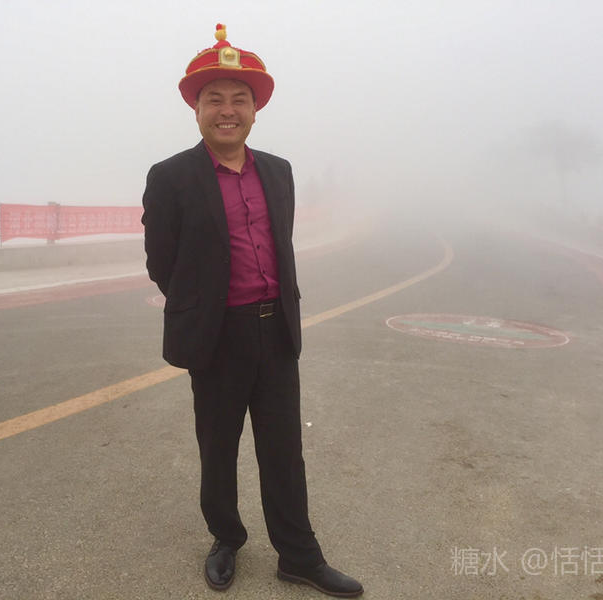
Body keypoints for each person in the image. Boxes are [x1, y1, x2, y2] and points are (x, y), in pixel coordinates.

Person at [141, 24, 363, 598]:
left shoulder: (278, 171)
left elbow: (279, 244)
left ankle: (299, 556)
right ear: (196, 109)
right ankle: (226, 538)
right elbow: (162, 262)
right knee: (218, 449)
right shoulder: (170, 178)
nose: (227, 111)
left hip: (276, 331)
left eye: (239, 99)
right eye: (214, 99)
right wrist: (203, 310)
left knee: (284, 452)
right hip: (217, 336)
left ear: (255, 109)